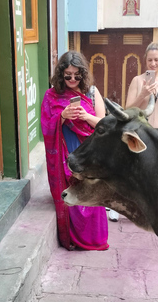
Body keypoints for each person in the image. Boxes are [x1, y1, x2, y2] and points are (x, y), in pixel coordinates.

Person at [41, 51, 109, 251]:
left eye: (76, 75)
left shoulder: (91, 92)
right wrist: (62, 116)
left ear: (83, 74)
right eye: (67, 75)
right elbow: (46, 125)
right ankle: (74, 235)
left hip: (88, 153)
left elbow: (104, 125)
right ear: (61, 74)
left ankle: (93, 238)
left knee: (89, 191)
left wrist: (86, 117)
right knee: (72, 194)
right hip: (66, 153)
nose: (71, 79)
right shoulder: (52, 95)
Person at [126, 42, 158, 130]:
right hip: (142, 134)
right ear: (145, 60)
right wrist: (142, 95)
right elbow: (128, 110)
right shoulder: (137, 80)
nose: (153, 64)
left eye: (156, 60)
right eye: (150, 60)